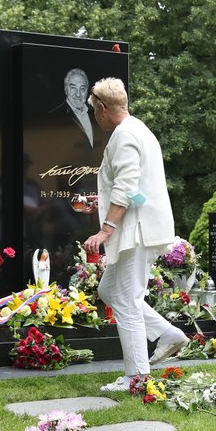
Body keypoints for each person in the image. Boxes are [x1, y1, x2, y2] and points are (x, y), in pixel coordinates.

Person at [80, 78, 188, 392]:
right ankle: (168, 335)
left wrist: (104, 230)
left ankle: (136, 379)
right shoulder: (139, 129)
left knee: (125, 300)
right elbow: (137, 189)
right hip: (141, 226)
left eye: (94, 112)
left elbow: (127, 188)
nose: (95, 117)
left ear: (101, 108)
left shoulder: (124, 135)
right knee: (110, 290)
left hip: (136, 233)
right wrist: (104, 204)